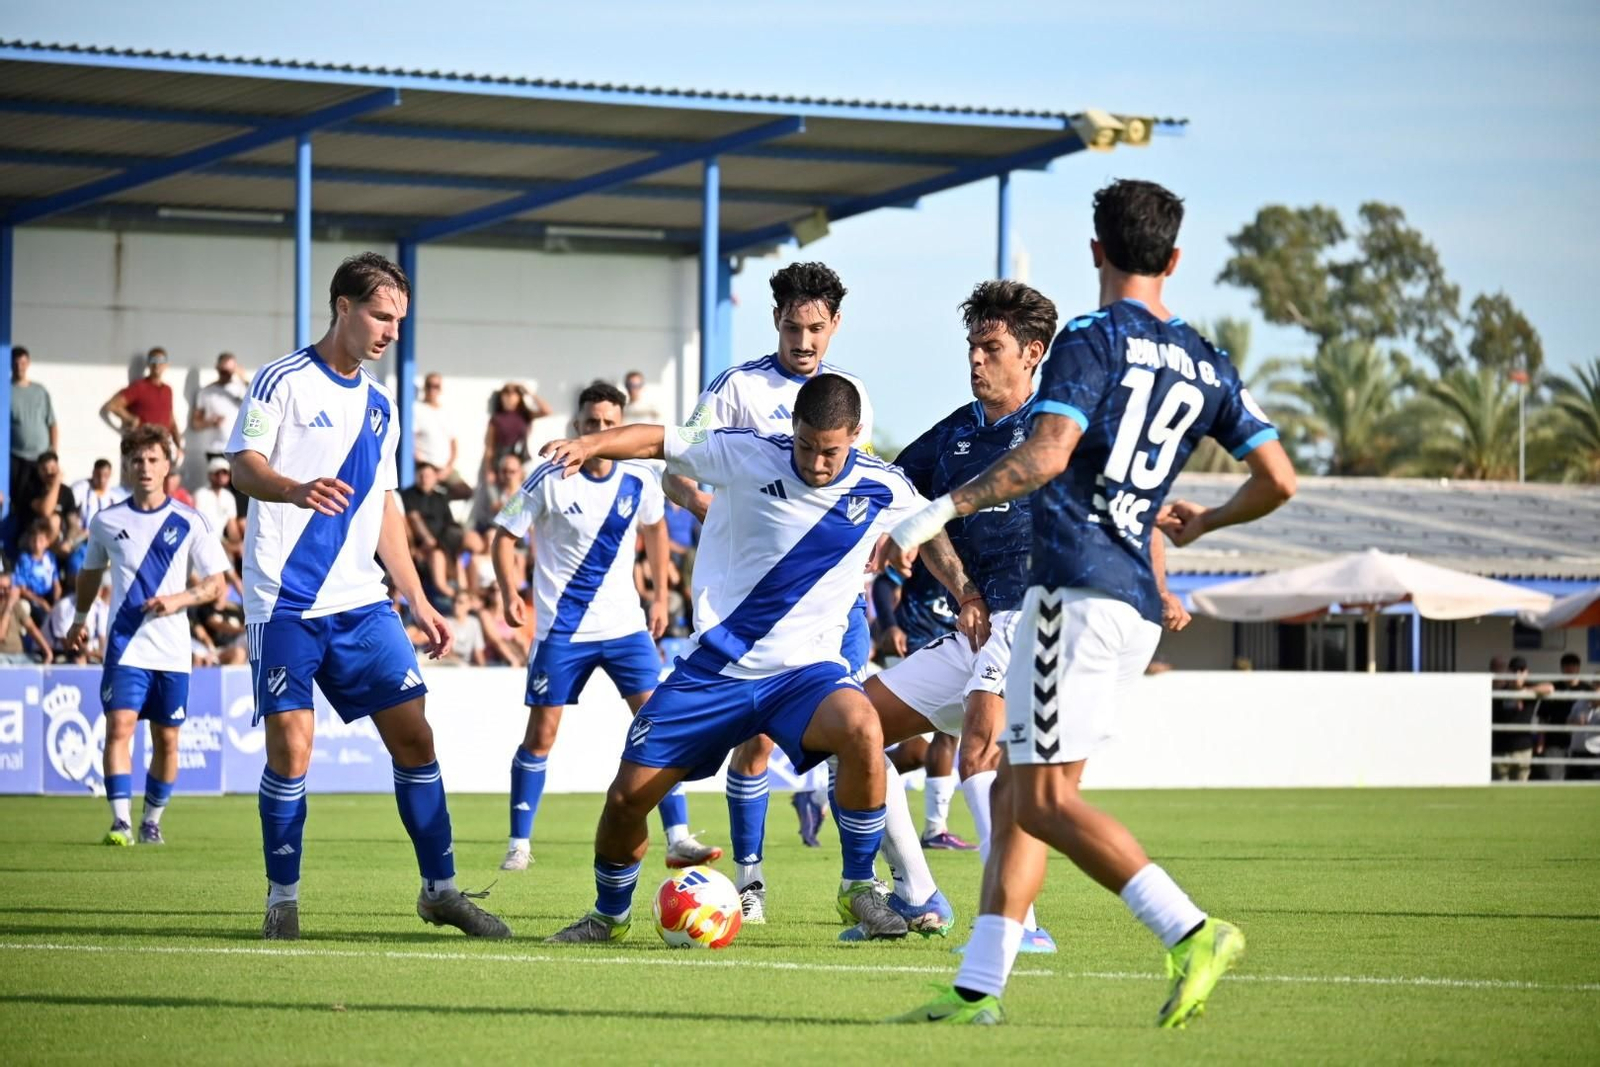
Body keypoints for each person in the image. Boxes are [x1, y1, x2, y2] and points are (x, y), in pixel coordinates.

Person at [888, 179, 1296, 1027]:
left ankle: (1189, 928)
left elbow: (1047, 452)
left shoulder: (1091, 337)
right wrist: (1207, 521)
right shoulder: (1205, 356)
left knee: (1035, 798)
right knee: (1018, 797)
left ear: (1096, 252)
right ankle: (978, 988)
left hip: (1070, 587)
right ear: (1174, 259)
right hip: (1134, 603)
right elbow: (1280, 478)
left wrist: (944, 507)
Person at [537, 374, 982, 945]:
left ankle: (858, 887)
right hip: (713, 671)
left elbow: (930, 531)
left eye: (831, 451)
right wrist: (591, 445)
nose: (817, 463)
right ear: (792, 430)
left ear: (855, 437)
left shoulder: (881, 484)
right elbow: (658, 442)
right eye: (805, 445)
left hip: (804, 675)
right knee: (627, 799)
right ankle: (609, 916)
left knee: (863, 726)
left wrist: (965, 591)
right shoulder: (747, 452)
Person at [227, 251, 508, 941]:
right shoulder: (278, 381)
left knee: (415, 736)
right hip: (286, 601)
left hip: (362, 601)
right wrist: (294, 488)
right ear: (343, 307)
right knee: (291, 749)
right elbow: (243, 465)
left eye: (399, 321)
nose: (390, 331)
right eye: (381, 315)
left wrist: (419, 596)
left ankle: (441, 890)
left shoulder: (380, 406)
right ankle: (282, 898)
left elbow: (385, 508)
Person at [672, 261, 881, 923]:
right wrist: (719, 515)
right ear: (777, 321)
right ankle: (751, 880)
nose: (804, 339)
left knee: (857, 731)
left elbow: (858, 488)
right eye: (794, 325)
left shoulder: (852, 396)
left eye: (816, 326)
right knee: (756, 740)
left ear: (836, 325)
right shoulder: (738, 388)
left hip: (833, 602)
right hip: (754, 606)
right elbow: (678, 468)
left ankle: (869, 882)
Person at [489, 380, 722, 874]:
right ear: (577, 426)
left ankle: (678, 837)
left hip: (625, 627)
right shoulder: (549, 477)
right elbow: (504, 535)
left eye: (609, 424)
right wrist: (510, 593)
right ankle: (519, 842)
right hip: (562, 631)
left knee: (660, 724)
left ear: (621, 425)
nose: (600, 431)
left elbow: (657, 528)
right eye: (592, 423)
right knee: (542, 735)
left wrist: (660, 593)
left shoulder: (639, 475)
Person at [64, 426, 229, 846]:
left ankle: (151, 821)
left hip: (173, 650)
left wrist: (178, 599)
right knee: (119, 727)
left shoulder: (190, 521)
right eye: (138, 460)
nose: (145, 468)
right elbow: (90, 573)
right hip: (125, 643)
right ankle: (120, 822)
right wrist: (80, 620)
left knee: (167, 739)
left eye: (154, 459)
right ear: (127, 465)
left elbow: (217, 585)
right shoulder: (105, 521)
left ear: (167, 464)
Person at [400, 462, 464, 599]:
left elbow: (450, 523)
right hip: (420, 545)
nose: (424, 479)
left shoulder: (441, 498)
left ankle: (464, 592)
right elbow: (410, 522)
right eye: (421, 475)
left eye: (428, 476)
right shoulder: (407, 495)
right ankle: (447, 591)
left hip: (443, 543)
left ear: (435, 477)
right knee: (437, 554)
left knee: (461, 548)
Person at [101, 347, 184, 451]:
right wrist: (130, 418)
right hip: (142, 446)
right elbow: (112, 406)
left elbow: (171, 420)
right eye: (153, 360)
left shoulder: (168, 390)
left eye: (161, 361)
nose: (157, 364)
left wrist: (179, 446)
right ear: (148, 364)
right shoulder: (139, 387)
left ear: (167, 365)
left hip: (163, 446)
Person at [413, 373, 472, 500]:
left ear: (440, 389)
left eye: (436, 386)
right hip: (425, 465)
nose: (432, 389)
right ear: (425, 387)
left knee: (466, 491)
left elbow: (453, 443)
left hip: (445, 467)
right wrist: (424, 466)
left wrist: (448, 467)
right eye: (429, 386)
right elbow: (411, 440)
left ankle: (439, 502)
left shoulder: (446, 412)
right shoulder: (417, 409)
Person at [10, 345, 58, 499]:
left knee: (41, 496)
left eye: (23, 363)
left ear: (28, 363)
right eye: (16, 363)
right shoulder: (5, 390)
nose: (19, 367)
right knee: (18, 497)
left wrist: (53, 451)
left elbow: (52, 423)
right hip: (16, 456)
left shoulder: (40, 391)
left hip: (41, 457)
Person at [1492, 655, 1550, 781]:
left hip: (1523, 749)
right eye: (1514, 670)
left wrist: (1523, 691)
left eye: (1521, 670)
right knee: (1500, 792)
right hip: (1501, 750)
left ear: (1526, 673)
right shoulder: (1500, 691)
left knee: (1520, 791)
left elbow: (1549, 688)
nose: (1517, 674)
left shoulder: (1531, 690)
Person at [190, 352, 248, 464]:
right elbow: (195, 423)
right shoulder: (206, 392)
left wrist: (243, 379)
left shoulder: (243, 389)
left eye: (229, 371)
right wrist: (210, 423)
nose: (226, 375)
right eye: (223, 371)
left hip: (238, 449)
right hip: (215, 449)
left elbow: (259, 402)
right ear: (217, 368)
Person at [484, 382, 553, 469]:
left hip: (523, 461)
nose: (509, 398)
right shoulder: (497, 419)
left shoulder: (524, 415)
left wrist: (529, 393)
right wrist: (489, 470)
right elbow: (490, 446)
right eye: (506, 394)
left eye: (513, 394)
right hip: (503, 465)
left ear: (519, 397)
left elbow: (547, 411)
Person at [0, 565, 52, 665]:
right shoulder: (11, 605)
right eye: (0, 588)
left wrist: (48, 652)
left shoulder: (17, 605)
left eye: (7, 588)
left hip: (19, 656)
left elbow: (32, 629)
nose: (3, 592)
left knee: (37, 662)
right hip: (2, 657)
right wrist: (8, 607)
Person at [71, 459, 131, 530]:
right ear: (93, 473)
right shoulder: (81, 488)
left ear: (110, 475)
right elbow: (69, 510)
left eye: (105, 475)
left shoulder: (114, 498)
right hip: (82, 536)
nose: (101, 479)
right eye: (98, 475)